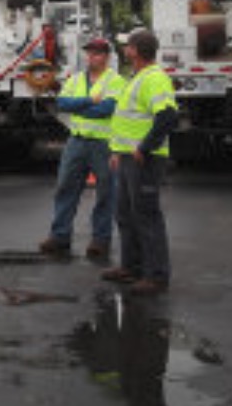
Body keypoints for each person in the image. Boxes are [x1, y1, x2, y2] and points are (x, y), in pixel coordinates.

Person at [102, 28, 178, 296]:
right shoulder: (138, 77)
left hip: (143, 160)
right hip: (127, 158)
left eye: (127, 46)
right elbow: (127, 119)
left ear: (135, 50)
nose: (124, 50)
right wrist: (117, 151)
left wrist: (144, 149)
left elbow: (168, 117)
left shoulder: (154, 79)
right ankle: (131, 267)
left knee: (147, 215)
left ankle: (156, 276)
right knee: (125, 213)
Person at [39, 37, 127, 258]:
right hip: (76, 141)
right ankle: (59, 236)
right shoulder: (76, 79)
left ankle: (100, 240)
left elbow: (107, 109)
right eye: (89, 53)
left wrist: (78, 106)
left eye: (96, 53)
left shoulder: (116, 81)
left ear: (106, 57)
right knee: (65, 188)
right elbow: (61, 104)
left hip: (103, 143)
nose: (91, 57)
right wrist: (89, 101)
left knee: (106, 193)